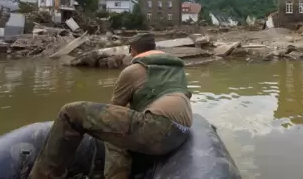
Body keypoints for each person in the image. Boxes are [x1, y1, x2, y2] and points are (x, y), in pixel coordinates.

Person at [29, 33, 193, 179]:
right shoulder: (176, 69)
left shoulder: (133, 70)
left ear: (133, 51)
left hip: (157, 128)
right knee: (121, 130)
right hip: (180, 133)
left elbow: (114, 109)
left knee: (70, 113)